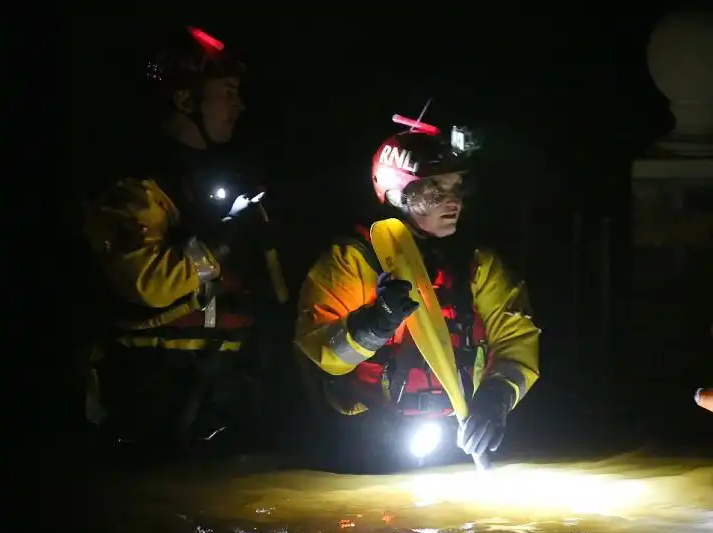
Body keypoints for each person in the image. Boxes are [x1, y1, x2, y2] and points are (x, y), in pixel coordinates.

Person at [81, 26, 286, 450]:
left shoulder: (224, 179)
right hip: (151, 398)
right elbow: (148, 283)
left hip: (226, 398)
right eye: (227, 91)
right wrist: (226, 239)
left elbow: (275, 296)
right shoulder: (135, 188)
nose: (239, 105)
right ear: (184, 99)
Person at [294, 119, 540, 469]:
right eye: (436, 190)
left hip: (456, 438)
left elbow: (517, 338)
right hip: (370, 443)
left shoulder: (477, 264)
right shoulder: (352, 260)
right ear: (398, 194)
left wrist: (497, 397)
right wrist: (374, 323)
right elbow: (319, 350)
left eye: (457, 188)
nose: (453, 201)